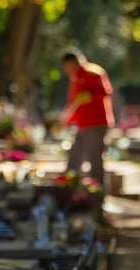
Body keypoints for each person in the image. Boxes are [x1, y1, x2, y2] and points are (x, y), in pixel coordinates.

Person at [60, 51, 115, 186]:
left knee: (94, 159)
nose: (66, 70)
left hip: (97, 123)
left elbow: (106, 93)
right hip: (82, 124)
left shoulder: (93, 71)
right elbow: (75, 103)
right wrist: (66, 119)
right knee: (74, 156)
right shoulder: (75, 77)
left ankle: (99, 192)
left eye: (67, 66)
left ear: (73, 63)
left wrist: (89, 96)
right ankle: (68, 187)